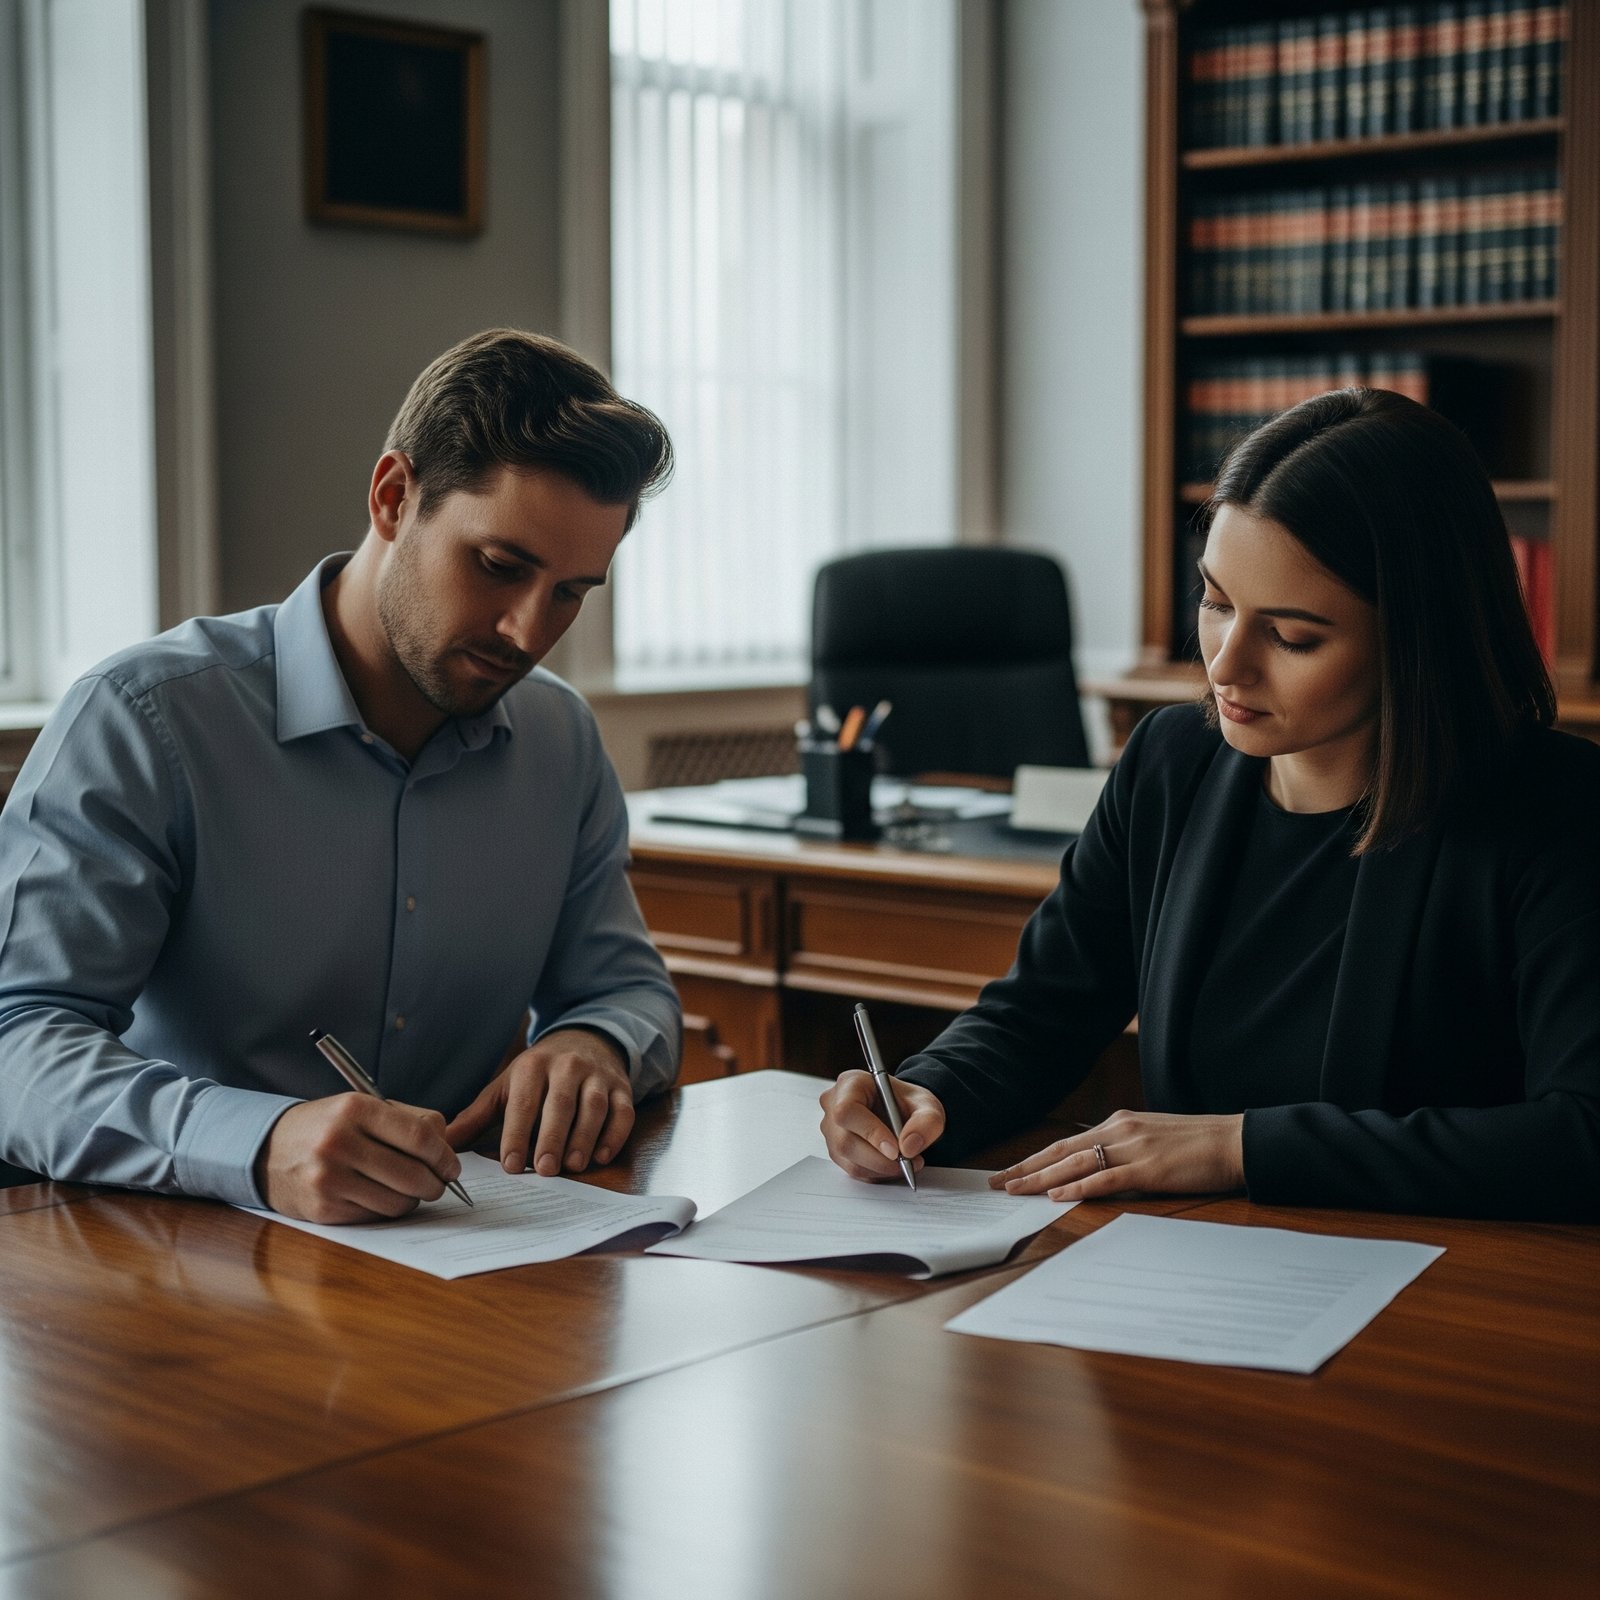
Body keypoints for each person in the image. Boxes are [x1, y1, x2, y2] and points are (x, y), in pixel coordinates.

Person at [821, 387, 1600, 1221]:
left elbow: (1582, 1137)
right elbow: (1040, 1013)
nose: (1225, 666)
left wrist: (1239, 1146)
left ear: (1418, 637)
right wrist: (929, 1093)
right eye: (1217, 602)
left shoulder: (1557, 810)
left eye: (1292, 636)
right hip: (1199, 1267)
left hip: (1449, 1290)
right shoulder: (1171, 762)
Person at [0, 328, 682, 1222]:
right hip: (179, 1266)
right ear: (395, 497)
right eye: (499, 567)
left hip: (479, 1262)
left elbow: (629, 989)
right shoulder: (146, 719)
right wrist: (258, 1141)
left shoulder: (561, 740)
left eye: (570, 592)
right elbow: (18, 1047)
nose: (528, 631)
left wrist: (596, 1042)